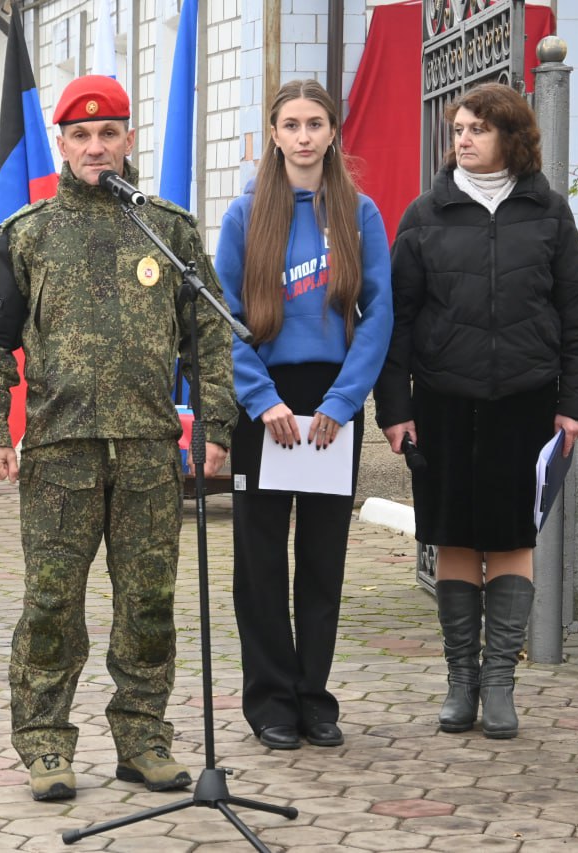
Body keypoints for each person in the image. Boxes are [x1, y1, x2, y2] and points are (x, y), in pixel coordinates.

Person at [0, 75, 237, 801]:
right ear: (61, 144)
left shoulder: (167, 229)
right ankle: (46, 744)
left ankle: (143, 736)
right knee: (52, 602)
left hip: (148, 447)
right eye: (81, 136)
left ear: (128, 139)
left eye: (108, 133)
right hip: (61, 451)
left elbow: (209, 333)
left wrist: (215, 422)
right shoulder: (29, 233)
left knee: (148, 600)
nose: (95, 146)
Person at [375, 82, 578, 740]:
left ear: (512, 136)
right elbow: (398, 321)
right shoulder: (426, 214)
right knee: (453, 538)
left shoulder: (550, 215)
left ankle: (500, 681)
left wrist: (574, 405)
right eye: (458, 129)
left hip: (526, 404)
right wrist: (395, 408)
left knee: (510, 540)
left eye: (477, 128)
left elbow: (577, 316)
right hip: (443, 404)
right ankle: (460, 681)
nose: (463, 139)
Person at [216, 79, 393, 751]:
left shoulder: (360, 213)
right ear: (273, 132)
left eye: (315, 122)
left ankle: (315, 697)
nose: (303, 135)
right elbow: (223, 316)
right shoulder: (244, 215)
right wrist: (261, 400)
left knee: (322, 558)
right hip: (265, 407)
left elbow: (379, 313)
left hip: (329, 406)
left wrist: (344, 402)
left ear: (332, 131)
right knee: (260, 562)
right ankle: (270, 700)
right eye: (290, 123)